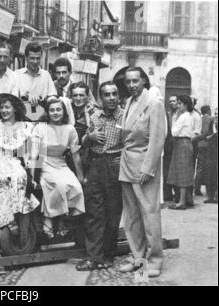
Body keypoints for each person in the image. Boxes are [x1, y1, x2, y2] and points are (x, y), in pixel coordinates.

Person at [118, 67, 166, 278]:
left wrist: (148, 168)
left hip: (144, 167)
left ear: (144, 81)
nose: (131, 85)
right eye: (128, 82)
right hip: (127, 165)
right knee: (132, 217)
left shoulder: (154, 103)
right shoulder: (129, 102)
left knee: (149, 213)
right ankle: (138, 257)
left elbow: (157, 140)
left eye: (135, 81)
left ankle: (155, 259)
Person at [76, 81, 124, 271]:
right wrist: (90, 137)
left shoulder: (124, 116)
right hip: (96, 165)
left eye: (114, 94)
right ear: (101, 97)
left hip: (115, 165)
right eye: (107, 94)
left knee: (113, 214)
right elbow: (83, 143)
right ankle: (93, 257)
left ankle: (108, 256)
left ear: (118, 96)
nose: (111, 98)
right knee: (94, 213)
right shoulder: (94, 116)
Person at [31, 99, 85, 238]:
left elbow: (75, 154)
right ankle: (49, 219)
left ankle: (62, 219)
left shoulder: (70, 129)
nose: (55, 113)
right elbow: (34, 154)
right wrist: (32, 176)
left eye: (58, 109)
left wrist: (80, 176)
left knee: (76, 188)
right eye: (52, 110)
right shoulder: (40, 128)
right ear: (48, 112)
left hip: (61, 164)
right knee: (59, 185)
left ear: (64, 111)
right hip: (44, 163)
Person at [0, 93, 39, 229]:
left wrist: (32, 173)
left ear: (15, 109)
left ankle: (15, 216)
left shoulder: (24, 127)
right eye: (2, 108)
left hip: (15, 161)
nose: (4, 110)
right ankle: (3, 222)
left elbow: (30, 154)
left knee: (19, 177)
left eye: (8, 107)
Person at [166, 96, 196, 210]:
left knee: (182, 173)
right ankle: (182, 200)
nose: (178, 106)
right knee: (183, 172)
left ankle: (181, 202)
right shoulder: (189, 116)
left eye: (180, 104)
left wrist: (174, 118)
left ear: (185, 105)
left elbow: (174, 132)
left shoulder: (183, 117)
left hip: (181, 144)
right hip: (186, 144)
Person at [15, 43, 57, 120]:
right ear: (26, 57)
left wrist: (46, 99)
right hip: (22, 117)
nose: (35, 62)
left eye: (38, 58)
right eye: (32, 58)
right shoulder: (17, 75)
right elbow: (13, 99)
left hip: (42, 117)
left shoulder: (46, 75)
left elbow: (52, 95)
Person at [194, 105, 214, 196]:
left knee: (200, 167)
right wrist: (205, 137)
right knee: (208, 167)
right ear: (209, 111)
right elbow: (206, 132)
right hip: (207, 145)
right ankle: (206, 189)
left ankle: (197, 187)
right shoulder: (210, 119)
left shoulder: (200, 119)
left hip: (199, 145)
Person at [163, 96, 179, 202]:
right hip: (168, 145)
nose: (171, 103)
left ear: (178, 102)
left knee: (178, 169)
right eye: (170, 101)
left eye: (173, 101)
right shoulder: (167, 115)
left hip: (178, 144)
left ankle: (178, 195)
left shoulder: (181, 114)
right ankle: (167, 193)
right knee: (167, 170)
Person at [205, 108, 218, 204]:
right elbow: (207, 136)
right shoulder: (211, 124)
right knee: (210, 173)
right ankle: (210, 196)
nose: (216, 115)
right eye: (216, 113)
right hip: (211, 152)